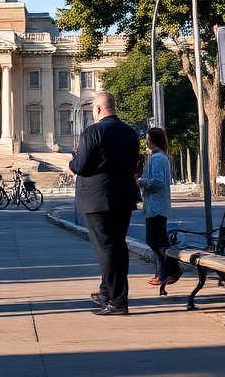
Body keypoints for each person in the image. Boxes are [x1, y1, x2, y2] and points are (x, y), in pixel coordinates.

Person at [70, 90, 140, 315]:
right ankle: (108, 292)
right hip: (123, 197)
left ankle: (117, 300)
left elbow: (81, 166)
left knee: (106, 250)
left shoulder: (93, 131)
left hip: (98, 199)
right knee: (117, 246)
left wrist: (70, 164)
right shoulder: (130, 133)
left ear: (98, 109)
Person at [137, 126, 179, 287]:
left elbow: (158, 182)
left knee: (156, 240)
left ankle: (170, 270)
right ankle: (162, 272)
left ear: (153, 140)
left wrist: (141, 182)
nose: (145, 140)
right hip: (154, 205)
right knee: (158, 240)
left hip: (156, 206)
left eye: (147, 138)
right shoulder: (157, 157)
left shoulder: (157, 158)